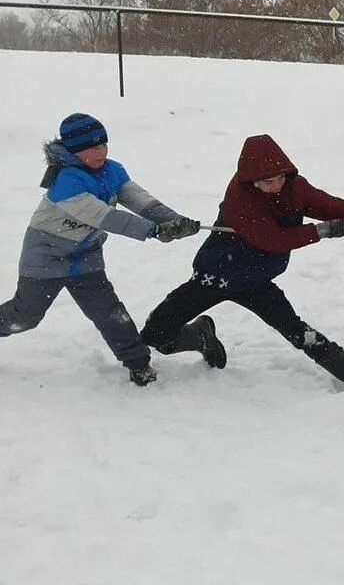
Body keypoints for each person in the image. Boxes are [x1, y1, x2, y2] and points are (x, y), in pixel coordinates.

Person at [140, 134, 344, 389]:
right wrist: (319, 232)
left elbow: (334, 206)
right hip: (215, 275)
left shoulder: (294, 187)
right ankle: (201, 337)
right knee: (155, 334)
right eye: (266, 182)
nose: (274, 186)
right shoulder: (238, 196)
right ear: (251, 180)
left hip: (257, 280)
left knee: (297, 331)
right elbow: (271, 238)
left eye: (279, 178)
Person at [0, 113, 200, 386]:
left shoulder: (113, 170)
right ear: (73, 150)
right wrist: (153, 231)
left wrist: (172, 220)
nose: (100, 152)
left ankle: (138, 364)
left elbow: (141, 201)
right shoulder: (66, 181)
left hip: (85, 257)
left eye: (102, 145)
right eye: (90, 148)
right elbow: (105, 217)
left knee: (109, 312)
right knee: (25, 318)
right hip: (45, 257)